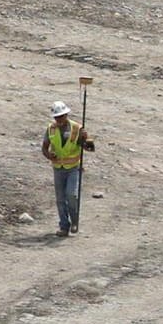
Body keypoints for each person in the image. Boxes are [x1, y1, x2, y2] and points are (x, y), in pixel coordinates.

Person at [40, 101, 93, 237]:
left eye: (61, 116)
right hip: (58, 168)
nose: (59, 119)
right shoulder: (50, 129)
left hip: (73, 168)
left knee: (71, 195)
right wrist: (49, 156)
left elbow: (88, 149)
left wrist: (87, 140)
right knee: (60, 198)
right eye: (57, 117)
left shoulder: (76, 129)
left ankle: (74, 220)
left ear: (67, 115)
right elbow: (44, 148)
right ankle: (64, 226)